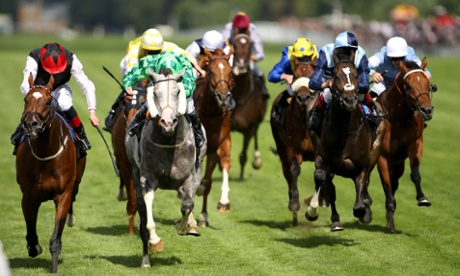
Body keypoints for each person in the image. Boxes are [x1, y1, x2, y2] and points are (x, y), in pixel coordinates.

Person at [104, 28, 203, 133]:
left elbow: (185, 55)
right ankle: (113, 114)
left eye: (156, 52)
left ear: (161, 48)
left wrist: (197, 67)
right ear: (144, 49)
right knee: (134, 92)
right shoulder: (135, 50)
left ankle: (196, 130)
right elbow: (131, 72)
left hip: (157, 69)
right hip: (133, 66)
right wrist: (128, 88)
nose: (153, 56)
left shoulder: (167, 46)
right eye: (150, 52)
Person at [11, 42, 99, 154]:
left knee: (64, 104)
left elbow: (87, 85)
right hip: (38, 89)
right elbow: (25, 85)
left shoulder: (71, 60)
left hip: (59, 88)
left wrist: (92, 111)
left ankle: (82, 137)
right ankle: (20, 134)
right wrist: (39, 97)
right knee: (33, 108)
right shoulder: (34, 57)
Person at [122, 51, 205, 148]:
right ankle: (135, 123)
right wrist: (128, 86)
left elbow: (188, 89)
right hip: (159, 85)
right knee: (149, 104)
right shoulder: (151, 63)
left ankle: (198, 132)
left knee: (189, 108)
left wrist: (177, 92)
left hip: (178, 88)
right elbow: (131, 74)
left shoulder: (185, 65)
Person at [308, 31, 379, 131]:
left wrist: (350, 86)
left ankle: (374, 110)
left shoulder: (360, 54)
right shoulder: (326, 52)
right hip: (330, 81)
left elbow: (364, 85)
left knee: (361, 95)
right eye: (342, 51)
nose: (345, 55)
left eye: (349, 51)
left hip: (352, 81)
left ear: (355, 51)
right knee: (327, 95)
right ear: (335, 50)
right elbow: (312, 83)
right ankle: (316, 114)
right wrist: (326, 84)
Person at [268, 37, 319, 125]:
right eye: (300, 58)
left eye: (308, 57)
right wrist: (285, 76)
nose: (304, 60)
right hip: (294, 82)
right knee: (290, 94)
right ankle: (280, 119)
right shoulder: (287, 58)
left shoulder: (319, 54)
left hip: (313, 81)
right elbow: (271, 76)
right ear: (294, 55)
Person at [222, 11, 269, 100]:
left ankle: (263, 90)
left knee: (257, 72)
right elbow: (224, 43)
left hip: (248, 57)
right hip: (233, 56)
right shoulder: (229, 27)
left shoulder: (252, 29)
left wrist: (255, 56)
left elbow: (259, 50)